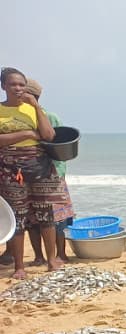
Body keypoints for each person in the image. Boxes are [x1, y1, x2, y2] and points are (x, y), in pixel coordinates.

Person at [0, 67, 58, 278]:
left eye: (21, 85)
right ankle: (19, 267)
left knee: (46, 213)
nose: (18, 88)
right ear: (3, 86)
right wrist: (26, 133)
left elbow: (48, 135)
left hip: (39, 165)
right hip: (10, 169)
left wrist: (36, 106)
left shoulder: (33, 108)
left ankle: (51, 260)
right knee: (18, 217)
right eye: (13, 84)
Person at [23, 79, 75, 266]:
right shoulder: (19, 117)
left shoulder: (49, 117)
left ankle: (60, 253)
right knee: (32, 219)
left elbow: (59, 145)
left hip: (53, 173)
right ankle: (39, 256)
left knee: (57, 217)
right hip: (30, 174)